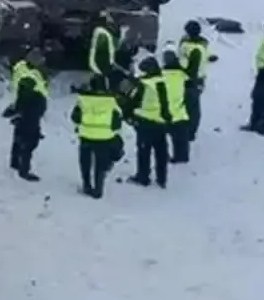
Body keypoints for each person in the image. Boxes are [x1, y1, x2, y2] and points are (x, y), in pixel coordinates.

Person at [71, 75, 124, 198]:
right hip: (105, 137)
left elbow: (75, 117)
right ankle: (98, 189)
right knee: (100, 164)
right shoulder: (111, 101)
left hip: (86, 136)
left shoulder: (82, 99)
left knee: (85, 162)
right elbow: (117, 121)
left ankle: (86, 185)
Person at [130, 54, 175, 187]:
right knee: (161, 151)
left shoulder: (144, 84)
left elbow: (134, 101)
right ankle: (162, 178)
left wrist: (131, 114)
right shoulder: (164, 81)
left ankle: (143, 177)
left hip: (145, 122)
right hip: (160, 123)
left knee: (144, 151)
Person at [4, 52, 49, 180]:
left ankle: (15, 162)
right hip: (31, 110)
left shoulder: (22, 67)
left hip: (26, 110)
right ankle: (24, 169)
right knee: (29, 141)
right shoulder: (31, 77)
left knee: (19, 134)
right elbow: (26, 95)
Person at [177, 19, 214, 144]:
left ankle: (189, 132)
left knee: (191, 108)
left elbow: (191, 68)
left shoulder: (194, 49)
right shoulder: (201, 44)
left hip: (191, 82)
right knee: (191, 107)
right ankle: (189, 130)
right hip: (197, 80)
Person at [160, 48, 194, 163]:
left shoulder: (160, 75)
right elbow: (190, 86)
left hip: (164, 113)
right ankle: (182, 156)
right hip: (180, 112)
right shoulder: (182, 74)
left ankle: (163, 155)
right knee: (181, 138)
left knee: (160, 138)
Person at [86, 12, 118, 88]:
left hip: (103, 60)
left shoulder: (103, 31)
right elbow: (103, 48)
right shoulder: (101, 32)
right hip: (102, 60)